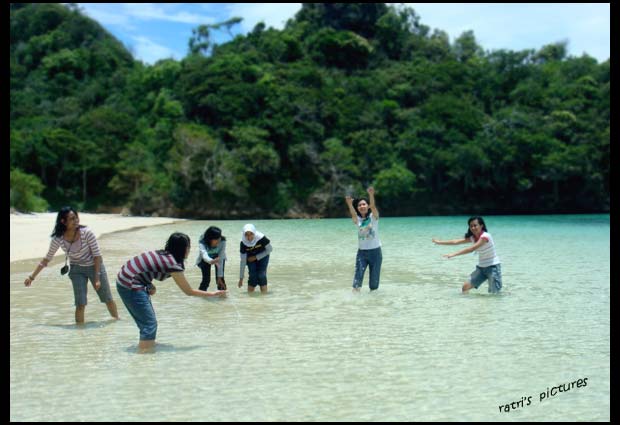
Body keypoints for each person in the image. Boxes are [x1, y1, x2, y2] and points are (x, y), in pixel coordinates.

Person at [116, 232, 227, 352]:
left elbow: (143, 267)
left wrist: (148, 285)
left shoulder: (163, 254)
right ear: (183, 249)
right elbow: (188, 291)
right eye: (189, 246)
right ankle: (144, 357)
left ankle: (147, 345)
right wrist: (212, 294)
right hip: (130, 284)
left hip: (126, 279)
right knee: (149, 325)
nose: (190, 250)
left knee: (147, 324)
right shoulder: (171, 263)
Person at [23, 206, 119, 324]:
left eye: (76, 218)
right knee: (80, 303)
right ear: (63, 222)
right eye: (72, 219)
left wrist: (98, 277)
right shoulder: (58, 238)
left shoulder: (87, 233)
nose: (76, 221)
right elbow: (46, 259)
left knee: (107, 299)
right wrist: (31, 277)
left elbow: (97, 256)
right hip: (76, 270)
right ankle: (80, 332)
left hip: (95, 267)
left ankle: (116, 321)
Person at [432, 216, 502, 293]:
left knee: (494, 294)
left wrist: (453, 254)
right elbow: (456, 242)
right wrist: (439, 242)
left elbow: (471, 249)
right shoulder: (473, 238)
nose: (473, 228)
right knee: (465, 287)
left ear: (481, 226)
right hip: (481, 268)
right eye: (471, 226)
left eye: (475, 225)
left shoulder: (485, 236)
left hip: (493, 267)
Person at [345, 187, 382, 292]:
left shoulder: (373, 217)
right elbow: (353, 213)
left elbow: (373, 206)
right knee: (357, 281)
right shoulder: (358, 220)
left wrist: (371, 195)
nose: (362, 206)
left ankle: (371, 305)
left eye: (364, 204)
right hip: (362, 253)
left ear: (367, 206)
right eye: (359, 205)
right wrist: (349, 203)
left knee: (374, 285)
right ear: (358, 208)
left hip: (376, 252)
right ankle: (354, 303)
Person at [237, 224, 272, 293]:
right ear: (244, 234)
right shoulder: (243, 243)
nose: (249, 237)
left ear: (254, 232)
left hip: (263, 256)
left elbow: (270, 249)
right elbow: (243, 261)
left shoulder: (261, 238)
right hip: (250, 258)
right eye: (246, 234)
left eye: (251, 234)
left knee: (261, 275)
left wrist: (256, 257)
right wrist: (241, 278)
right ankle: (250, 299)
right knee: (253, 276)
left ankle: (264, 298)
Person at [196, 226, 227, 291]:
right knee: (206, 280)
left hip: (218, 258)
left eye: (219, 238)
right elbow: (204, 254)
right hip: (205, 259)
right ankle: (201, 297)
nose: (218, 241)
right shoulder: (202, 242)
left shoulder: (222, 241)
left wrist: (219, 276)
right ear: (210, 239)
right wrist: (211, 261)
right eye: (216, 239)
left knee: (220, 280)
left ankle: (223, 299)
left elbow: (221, 258)